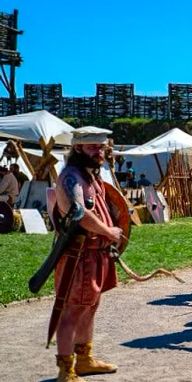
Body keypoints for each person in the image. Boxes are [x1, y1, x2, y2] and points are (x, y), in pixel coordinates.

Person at [51, 126, 122, 382]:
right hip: (78, 256)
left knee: (89, 307)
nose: (99, 151)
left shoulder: (89, 175)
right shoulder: (71, 176)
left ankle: (84, 359)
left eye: (101, 147)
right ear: (78, 147)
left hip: (94, 255)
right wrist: (108, 231)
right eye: (93, 147)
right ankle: (66, 371)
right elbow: (78, 213)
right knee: (72, 311)